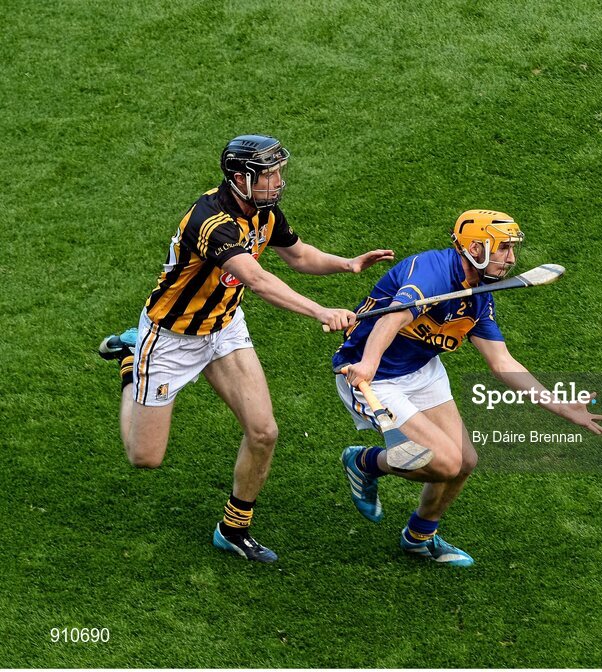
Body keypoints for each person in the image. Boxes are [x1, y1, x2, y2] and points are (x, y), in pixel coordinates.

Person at [98, 134, 394, 562]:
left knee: (264, 431)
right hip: (170, 338)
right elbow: (256, 279)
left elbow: (299, 255)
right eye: (268, 174)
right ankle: (130, 362)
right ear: (239, 179)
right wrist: (319, 311)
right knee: (145, 457)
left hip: (224, 328)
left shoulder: (263, 211)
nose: (278, 182)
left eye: (278, 172)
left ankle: (233, 528)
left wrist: (346, 263)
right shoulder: (211, 222)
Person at [334, 209, 602, 566]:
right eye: (503, 248)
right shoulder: (432, 273)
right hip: (373, 373)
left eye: (512, 249)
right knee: (445, 463)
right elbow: (393, 318)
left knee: (465, 461)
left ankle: (420, 537)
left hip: (421, 368)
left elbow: (502, 363)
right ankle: (365, 462)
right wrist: (369, 365)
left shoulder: (479, 293)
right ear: (476, 247)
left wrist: (560, 406)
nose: (511, 258)